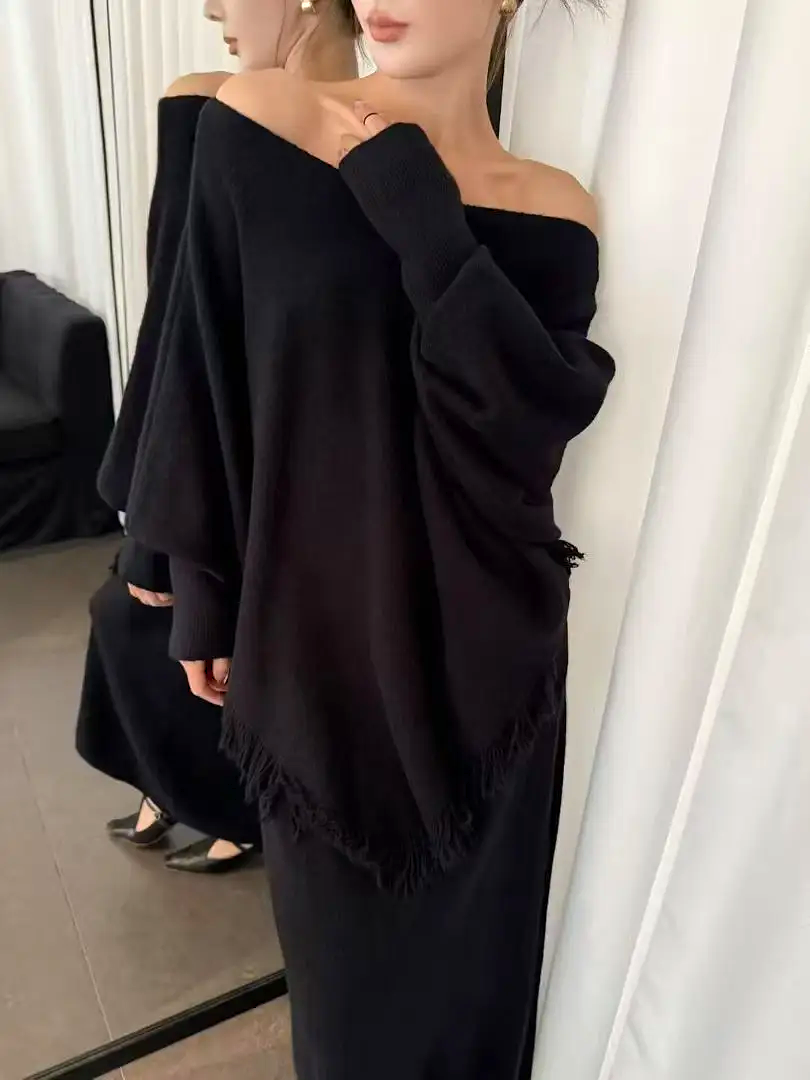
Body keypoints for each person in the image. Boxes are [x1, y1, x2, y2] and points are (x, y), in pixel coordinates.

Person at [124, 0, 613, 1073]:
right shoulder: (261, 121)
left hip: (492, 680)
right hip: (315, 661)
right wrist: (202, 590)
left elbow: (520, 431)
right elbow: (204, 366)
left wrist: (421, 215)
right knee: (345, 1026)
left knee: (478, 1018)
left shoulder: (554, 205)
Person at [77, 0, 358, 873]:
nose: (210, 9)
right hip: (218, 445)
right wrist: (155, 516)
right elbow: (175, 329)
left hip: (324, 468)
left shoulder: (399, 130)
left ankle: (225, 799)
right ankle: (193, 786)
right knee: (134, 619)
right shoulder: (206, 106)